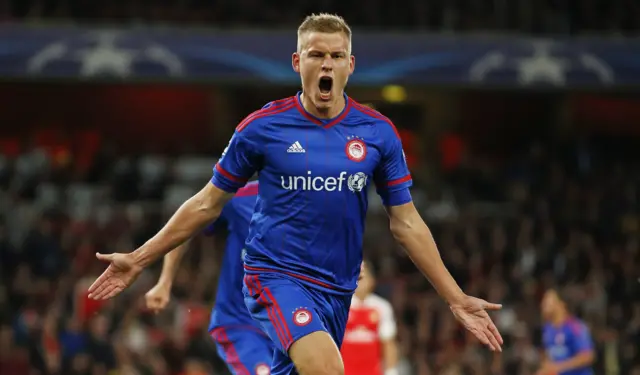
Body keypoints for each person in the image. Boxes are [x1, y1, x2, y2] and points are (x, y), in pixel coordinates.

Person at [88, 13, 503, 375]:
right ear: (297, 61)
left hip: (338, 288)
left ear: (350, 65)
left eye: (336, 56)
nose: (327, 64)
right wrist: (140, 259)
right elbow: (206, 203)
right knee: (326, 368)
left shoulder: (378, 133)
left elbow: (407, 222)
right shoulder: (261, 128)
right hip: (275, 275)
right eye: (316, 54)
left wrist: (455, 298)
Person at [144, 181, 274, 375]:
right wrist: (165, 280)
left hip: (292, 330)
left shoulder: (321, 205)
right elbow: (185, 225)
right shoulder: (242, 198)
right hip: (241, 324)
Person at [341, 260, 398, 375]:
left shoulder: (382, 307)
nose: (358, 283)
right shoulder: (340, 306)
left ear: (372, 280)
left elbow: (388, 342)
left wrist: (391, 371)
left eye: (362, 278)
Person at [535, 289, 595, 375]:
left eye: (548, 301)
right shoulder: (547, 328)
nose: (544, 304)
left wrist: (559, 367)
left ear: (561, 304)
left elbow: (587, 356)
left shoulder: (574, 326)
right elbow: (550, 357)